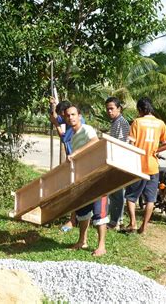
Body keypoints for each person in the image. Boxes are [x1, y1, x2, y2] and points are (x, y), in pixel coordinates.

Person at [65, 105, 109, 256]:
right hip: (83, 177)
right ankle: (82, 241)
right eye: (68, 115)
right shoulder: (72, 134)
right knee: (83, 211)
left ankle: (101, 246)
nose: (71, 117)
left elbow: (95, 141)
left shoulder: (87, 129)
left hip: (97, 175)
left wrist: (76, 152)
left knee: (99, 212)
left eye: (73, 114)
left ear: (79, 115)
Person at [124, 97, 166, 235]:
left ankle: (132, 223)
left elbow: (131, 144)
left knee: (131, 197)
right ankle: (144, 227)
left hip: (138, 165)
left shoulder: (137, 122)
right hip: (153, 166)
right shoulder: (160, 123)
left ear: (139, 109)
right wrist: (156, 151)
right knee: (150, 198)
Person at [49, 98, 85, 232]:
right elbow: (54, 118)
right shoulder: (66, 119)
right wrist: (53, 106)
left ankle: (73, 219)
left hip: (78, 160)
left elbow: (64, 138)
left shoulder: (77, 124)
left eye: (62, 116)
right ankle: (74, 217)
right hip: (72, 160)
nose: (63, 119)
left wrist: (56, 125)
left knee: (74, 189)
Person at [105, 97, 130, 231]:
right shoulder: (115, 122)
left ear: (119, 109)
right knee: (114, 192)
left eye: (112, 108)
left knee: (118, 192)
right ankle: (115, 219)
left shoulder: (121, 122)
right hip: (115, 160)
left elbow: (121, 143)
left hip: (120, 160)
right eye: (107, 109)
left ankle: (116, 221)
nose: (109, 111)